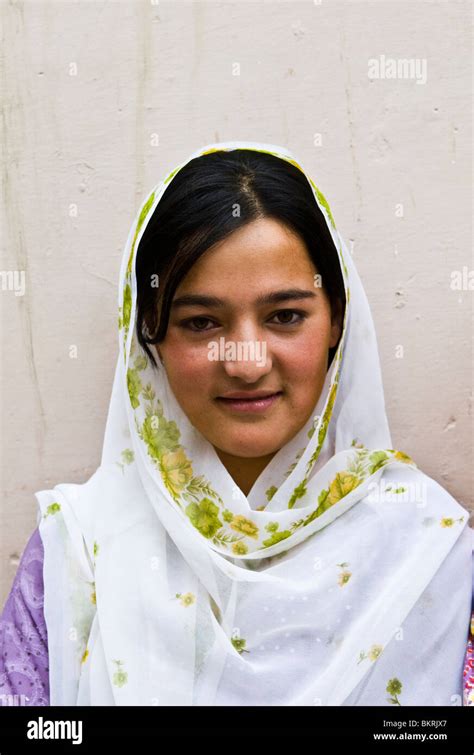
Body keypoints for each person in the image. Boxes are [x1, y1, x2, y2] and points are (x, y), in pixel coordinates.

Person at [0, 140, 472, 707]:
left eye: (285, 316)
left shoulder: (430, 549)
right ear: (149, 334)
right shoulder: (80, 554)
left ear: (337, 324)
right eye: (201, 322)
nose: (246, 361)